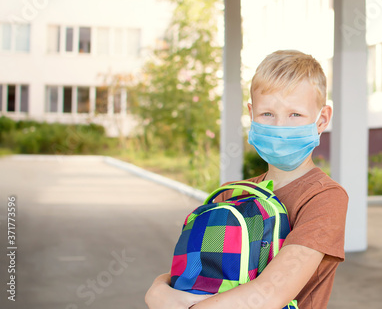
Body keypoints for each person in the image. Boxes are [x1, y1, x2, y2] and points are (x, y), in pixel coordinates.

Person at [145, 50, 349, 309]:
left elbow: (269, 295)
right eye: (267, 114)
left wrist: (166, 299)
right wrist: (158, 288)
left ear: (321, 119)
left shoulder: (324, 197)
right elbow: (193, 271)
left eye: (295, 114)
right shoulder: (231, 194)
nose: (279, 126)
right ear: (252, 114)